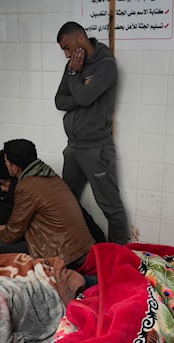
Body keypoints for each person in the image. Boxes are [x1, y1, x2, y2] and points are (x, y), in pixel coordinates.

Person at [54, 21, 131, 245]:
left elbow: (86, 98)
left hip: (96, 148)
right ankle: (84, 245)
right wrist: (79, 86)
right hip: (73, 147)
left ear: (80, 38)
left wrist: (76, 80)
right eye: (64, 51)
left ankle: (119, 255)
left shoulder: (105, 65)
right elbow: (59, 101)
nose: (67, 54)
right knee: (67, 202)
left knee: (111, 206)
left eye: (67, 47)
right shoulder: (72, 66)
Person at [0, 138, 94, 269]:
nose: (5, 165)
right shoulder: (48, 173)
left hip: (64, 255)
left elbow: (12, 234)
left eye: (6, 162)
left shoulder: (26, 187)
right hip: (81, 248)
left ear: (15, 168)